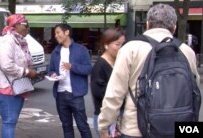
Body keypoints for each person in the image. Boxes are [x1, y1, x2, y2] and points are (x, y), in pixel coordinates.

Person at [98, 4, 200, 138]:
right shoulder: (187, 51)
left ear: (147, 24)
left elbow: (115, 94)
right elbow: (194, 91)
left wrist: (104, 126)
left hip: (137, 128)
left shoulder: (130, 49)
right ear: (174, 27)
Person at [0, 14, 37, 138]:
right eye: (26, 25)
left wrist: (31, 70)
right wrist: (27, 72)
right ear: (16, 25)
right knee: (9, 123)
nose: (28, 28)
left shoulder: (20, 42)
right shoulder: (8, 41)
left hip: (18, 87)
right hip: (7, 88)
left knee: (11, 122)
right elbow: (6, 65)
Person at [48, 23, 92, 138]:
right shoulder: (56, 51)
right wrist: (53, 74)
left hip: (75, 95)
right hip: (60, 94)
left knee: (82, 125)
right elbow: (51, 69)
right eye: (55, 33)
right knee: (66, 126)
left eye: (58, 33)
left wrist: (73, 67)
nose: (56, 35)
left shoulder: (81, 50)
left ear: (66, 32)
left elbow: (88, 69)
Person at [90, 27, 125, 137]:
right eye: (117, 44)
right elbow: (100, 94)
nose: (121, 48)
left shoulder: (119, 62)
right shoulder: (100, 66)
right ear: (106, 45)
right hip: (106, 118)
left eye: (123, 44)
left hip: (118, 117)